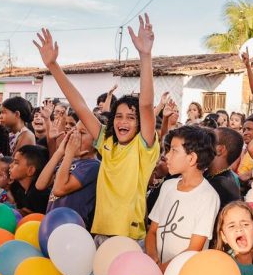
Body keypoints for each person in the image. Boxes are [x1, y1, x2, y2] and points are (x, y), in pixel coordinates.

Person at [34, 15, 159, 243]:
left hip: (129, 237)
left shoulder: (144, 147)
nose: (123, 121)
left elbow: (147, 104)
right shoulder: (106, 142)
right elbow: (79, 105)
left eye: (131, 118)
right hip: (99, 233)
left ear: (140, 125)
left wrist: (145, 55)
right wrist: (53, 66)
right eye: (119, 116)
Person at [146, 125, 220, 269]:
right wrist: (153, 261)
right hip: (157, 271)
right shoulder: (167, 186)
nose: (167, 156)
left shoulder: (208, 196)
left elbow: (194, 249)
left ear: (191, 158)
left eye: (174, 150)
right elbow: (152, 231)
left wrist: (161, 270)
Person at [37, 122, 100, 229]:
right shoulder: (69, 162)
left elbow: (59, 189)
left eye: (82, 133)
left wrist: (69, 154)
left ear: (97, 142)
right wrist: (60, 152)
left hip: (71, 227)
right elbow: (40, 185)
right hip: (54, 224)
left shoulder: (93, 166)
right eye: (75, 131)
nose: (75, 136)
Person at [214, 201, 253, 275]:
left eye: (245, 224)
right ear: (224, 237)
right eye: (232, 226)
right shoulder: (221, 266)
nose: (239, 229)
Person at [206, 127, 243, 210]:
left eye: (210, 139)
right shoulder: (212, 175)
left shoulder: (221, 184)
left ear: (220, 150)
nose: (204, 142)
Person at [8, 144, 50, 215]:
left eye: (16, 162)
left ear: (30, 170)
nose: (10, 165)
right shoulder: (18, 189)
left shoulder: (39, 195)